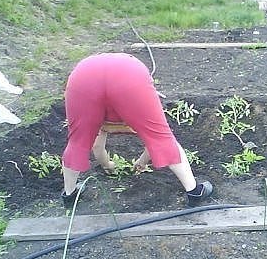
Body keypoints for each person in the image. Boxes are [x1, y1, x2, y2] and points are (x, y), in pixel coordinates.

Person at [61, 52, 213, 208]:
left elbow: (96, 146)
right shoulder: (132, 104)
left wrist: (107, 165)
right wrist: (142, 162)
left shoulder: (98, 120)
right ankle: (194, 192)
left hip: (83, 78)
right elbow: (153, 141)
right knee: (161, 137)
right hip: (129, 75)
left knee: (77, 142)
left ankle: (69, 195)